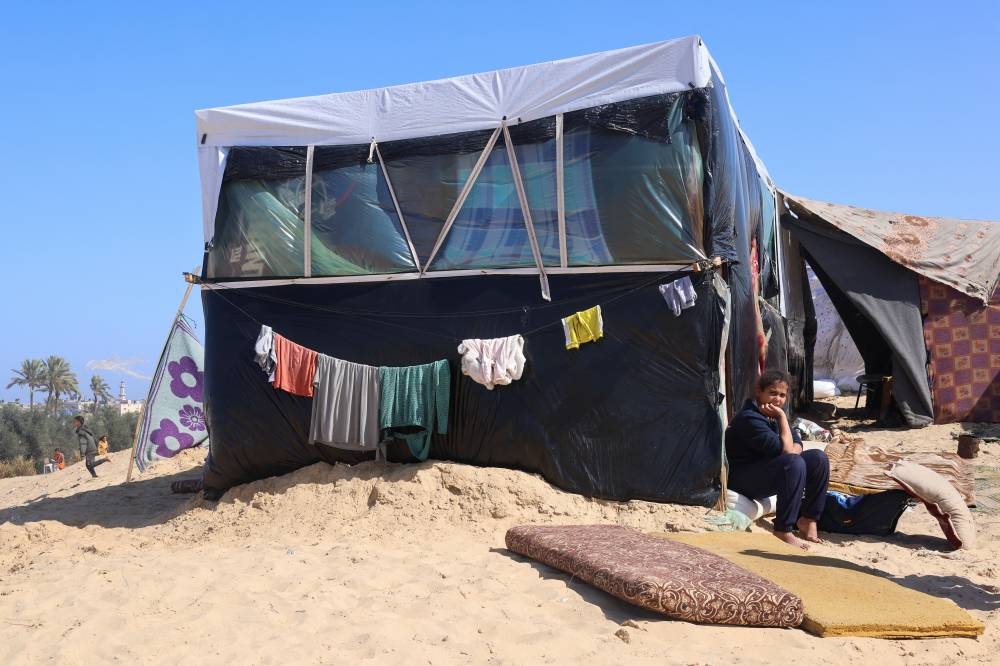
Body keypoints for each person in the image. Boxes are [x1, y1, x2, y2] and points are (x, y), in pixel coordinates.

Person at [726, 369, 830, 550]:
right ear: (759, 391)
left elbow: (797, 443)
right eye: (772, 393)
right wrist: (782, 418)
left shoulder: (771, 415)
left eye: (782, 395)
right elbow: (789, 451)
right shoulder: (750, 419)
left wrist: (788, 438)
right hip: (743, 478)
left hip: (764, 470)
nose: (777, 399)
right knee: (793, 463)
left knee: (818, 458)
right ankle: (783, 529)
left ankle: (808, 519)